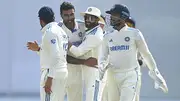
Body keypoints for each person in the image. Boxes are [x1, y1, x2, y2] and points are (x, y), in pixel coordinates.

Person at [99, 4, 168, 101]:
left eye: (114, 14)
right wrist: (101, 67)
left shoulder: (135, 33)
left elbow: (146, 55)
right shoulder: (107, 36)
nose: (111, 17)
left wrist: (156, 74)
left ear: (123, 16)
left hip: (130, 75)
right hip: (112, 75)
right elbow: (103, 56)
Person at [27, 6, 68, 101]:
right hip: (63, 72)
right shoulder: (61, 31)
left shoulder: (49, 32)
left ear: (41, 20)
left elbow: (55, 56)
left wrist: (50, 78)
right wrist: (38, 49)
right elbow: (55, 53)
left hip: (52, 74)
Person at [68, 7, 104, 101]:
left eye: (92, 18)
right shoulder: (91, 30)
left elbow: (78, 52)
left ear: (97, 20)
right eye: (86, 17)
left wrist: (65, 41)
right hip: (89, 72)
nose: (88, 20)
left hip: (95, 72)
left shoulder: (95, 35)